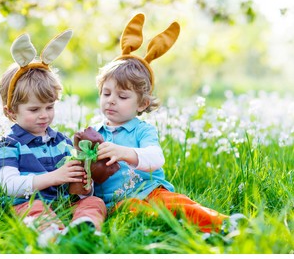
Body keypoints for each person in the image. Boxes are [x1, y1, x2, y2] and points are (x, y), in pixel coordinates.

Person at [93, 13, 244, 233]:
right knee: (135, 211)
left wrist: (124, 152)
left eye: (122, 97)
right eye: (106, 93)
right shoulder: (95, 133)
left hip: (152, 190)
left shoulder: (142, 130)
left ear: (142, 104)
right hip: (117, 201)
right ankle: (178, 228)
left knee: (178, 203)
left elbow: (156, 158)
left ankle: (224, 225)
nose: (111, 101)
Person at [0, 30, 106, 247]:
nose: (44, 115)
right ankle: (54, 235)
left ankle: (85, 226)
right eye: (34, 109)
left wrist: (83, 185)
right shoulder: (8, 144)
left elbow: (74, 187)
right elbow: (10, 185)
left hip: (63, 204)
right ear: (10, 112)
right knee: (34, 209)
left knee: (94, 201)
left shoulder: (61, 141)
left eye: (49, 107)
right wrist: (55, 176)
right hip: (29, 203)